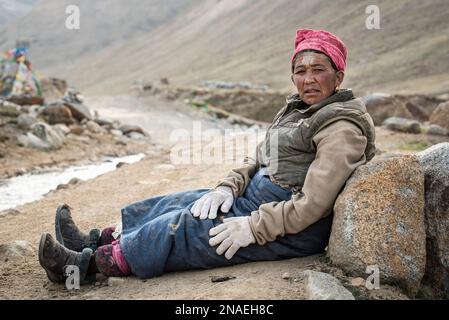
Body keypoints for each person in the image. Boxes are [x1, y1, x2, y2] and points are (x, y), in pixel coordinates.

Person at [38, 29, 376, 284]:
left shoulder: (341, 126)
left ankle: (84, 267)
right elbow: (257, 158)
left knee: (181, 228)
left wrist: (254, 227)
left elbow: (314, 205)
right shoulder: (298, 110)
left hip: (286, 225)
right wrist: (227, 187)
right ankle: (96, 240)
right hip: (255, 198)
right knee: (180, 202)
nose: (308, 79)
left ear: (339, 76)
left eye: (319, 69)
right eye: (300, 71)